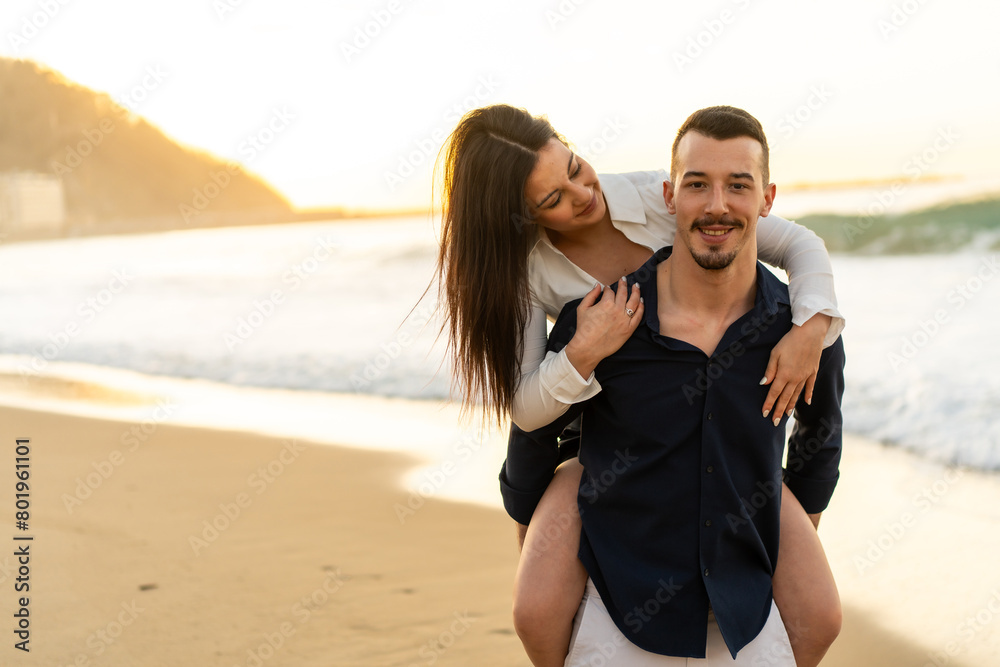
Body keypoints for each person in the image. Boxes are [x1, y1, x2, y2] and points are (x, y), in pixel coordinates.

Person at [434, 104, 843, 665]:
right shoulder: (527, 272)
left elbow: (798, 245)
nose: (581, 194)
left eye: (575, 167)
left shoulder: (664, 194)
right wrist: (584, 352)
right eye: (552, 199)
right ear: (520, 218)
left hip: (731, 447)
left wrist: (813, 325)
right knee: (535, 607)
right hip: (605, 430)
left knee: (820, 614)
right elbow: (528, 409)